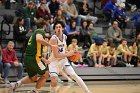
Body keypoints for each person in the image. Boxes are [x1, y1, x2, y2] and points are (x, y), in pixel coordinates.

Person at [9, 21, 57, 93]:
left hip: (28, 58)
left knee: (33, 77)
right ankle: (35, 91)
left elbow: (36, 51)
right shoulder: (40, 31)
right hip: (33, 59)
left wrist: (44, 60)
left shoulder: (34, 34)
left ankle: (16, 84)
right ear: (44, 26)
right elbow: (39, 39)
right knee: (46, 74)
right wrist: (51, 45)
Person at [48, 21, 92, 93]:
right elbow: (56, 55)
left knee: (74, 75)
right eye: (56, 27)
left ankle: (87, 91)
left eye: (60, 27)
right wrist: (68, 54)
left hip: (63, 60)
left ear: (63, 28)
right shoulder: (53, 39)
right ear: (54, 29)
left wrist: (71, 53)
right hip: (54, 61)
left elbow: (63, 50)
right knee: (54, 80)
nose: (58, 28)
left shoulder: (64, 36)